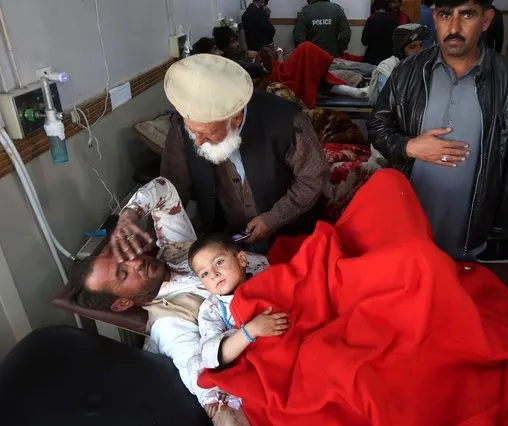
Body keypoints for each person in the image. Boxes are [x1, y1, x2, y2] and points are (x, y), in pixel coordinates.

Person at [68, 177, 268, 424]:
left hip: (283, 272)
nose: (135, 261)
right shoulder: (169, 323)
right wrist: (222, 412)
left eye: (123, 256)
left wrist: (129, 214)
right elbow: (200, 375)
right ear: (122, 304)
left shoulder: (173, 250)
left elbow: (164, 189)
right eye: (123, 274)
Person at [368, 0, 508, 261]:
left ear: (485, 20)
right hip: (408, 225)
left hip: (469, 234)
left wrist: (499, 227)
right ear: (435, 18)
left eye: (467, 14)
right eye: (445, 15)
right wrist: (408, 146)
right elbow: (377, 125)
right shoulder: (408, 72)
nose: (454, 27)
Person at [161, 54, 330, 248]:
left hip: (290, 232)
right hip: (225, 235)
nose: (198, 142)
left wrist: (274, 218)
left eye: (207, 133)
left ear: (235, 120)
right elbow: (173, 185)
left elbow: (313, 177)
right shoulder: (184, 123)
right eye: (193, 131)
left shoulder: (286, 120)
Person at [186, 233, 290, 410]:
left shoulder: (264, 273)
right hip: (261, 363)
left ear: (241, 259)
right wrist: (249, 331)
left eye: (218, 262)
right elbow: (211, 356)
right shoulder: (212, 309)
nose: (214, 274)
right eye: (204, 274)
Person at [213, 26, 368, 108]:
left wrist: (271, 53)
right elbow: (265, 72)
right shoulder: (234, 64)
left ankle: (355, 92)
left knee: (311, 64)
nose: (237, 43)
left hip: (279, 68)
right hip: (279, 75)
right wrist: (277, 53)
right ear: (224, 47)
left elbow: (264, 62)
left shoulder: (244, 54)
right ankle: (355, 92)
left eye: (235, 40)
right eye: (232, 42)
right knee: (306, 49)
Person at [369, 23, 430, 105]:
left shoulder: (425, 66)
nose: (418, 51)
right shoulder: (388, 68)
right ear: (401, 50)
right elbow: (388, 103)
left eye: (421, 45)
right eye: (413, 47)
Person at [362, 0, 397, 65]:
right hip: (388, 58)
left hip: (371, 58)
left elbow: (364, 41)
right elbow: (396, 42)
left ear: (375, 7)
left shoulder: (370, 20)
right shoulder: (393, 20)